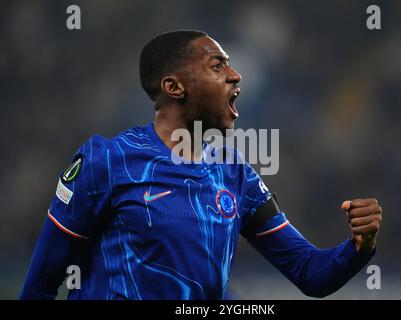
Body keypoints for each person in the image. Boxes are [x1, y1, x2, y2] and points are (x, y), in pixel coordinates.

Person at [20, 30, 382, 299]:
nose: (235, 75)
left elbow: (309, 272)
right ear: (175, 87)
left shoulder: (234, 172)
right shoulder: (108, 162)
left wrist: (359, 247)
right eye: (217, 65)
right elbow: (40, 285)